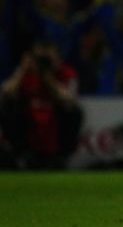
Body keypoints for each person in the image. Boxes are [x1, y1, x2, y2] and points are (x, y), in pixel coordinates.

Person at [0, 40, 82, 169]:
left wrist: (48, 76)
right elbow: (6, 92)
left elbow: (68, 98)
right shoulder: (26, 73)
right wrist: (22, 69)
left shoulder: (66, 73)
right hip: (28, 122)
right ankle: (20, 155)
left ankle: (61, 157)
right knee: (7, 107)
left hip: (55, 124)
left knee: (75, 111)